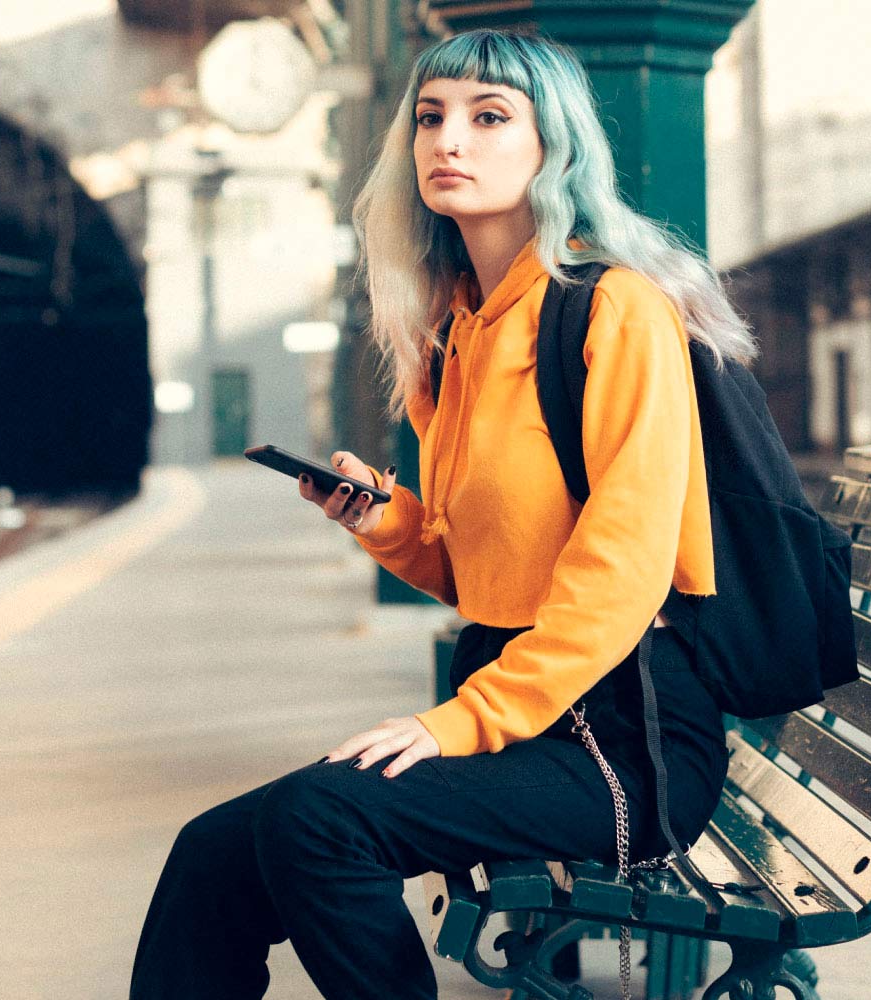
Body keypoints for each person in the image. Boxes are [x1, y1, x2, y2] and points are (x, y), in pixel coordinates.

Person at [130, 28, 755, 1000]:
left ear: (554, 146)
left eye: (489, 116)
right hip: (532, 711)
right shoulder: (458, 331)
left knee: (319, 820)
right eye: (430, 116)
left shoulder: (615, 312)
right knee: (210, 853)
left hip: (623, 738)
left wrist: (468, 719)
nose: (446, 140)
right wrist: (384, 522)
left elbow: (625, 569)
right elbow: (478, 574)